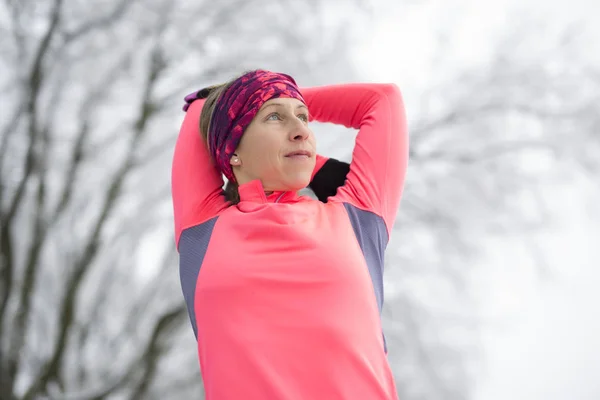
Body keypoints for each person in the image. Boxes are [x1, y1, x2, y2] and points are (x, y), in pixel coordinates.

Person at [171, 69, 408, 399]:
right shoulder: (204, 228)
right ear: (232, 151)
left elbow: (383, 101)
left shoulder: (357, 218)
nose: (301, 130)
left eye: (304, 118)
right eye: (274, 118)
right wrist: (250, 99)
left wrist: (273, 96)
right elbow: (201, 110)